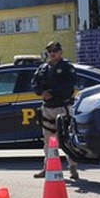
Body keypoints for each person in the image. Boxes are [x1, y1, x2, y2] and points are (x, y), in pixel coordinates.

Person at [31, 40, 79, 180]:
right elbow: (34, 83)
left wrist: (52, 92)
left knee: (67, 138)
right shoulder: (43, 68)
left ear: (61, 52)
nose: (52, 54)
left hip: (62, 107)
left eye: (55, 51)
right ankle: (48, 167)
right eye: (50, 51)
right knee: (48, 140)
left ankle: (73, 168)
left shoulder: (67, 67)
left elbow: (69, 85)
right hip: (48, 108)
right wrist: (41, 92)